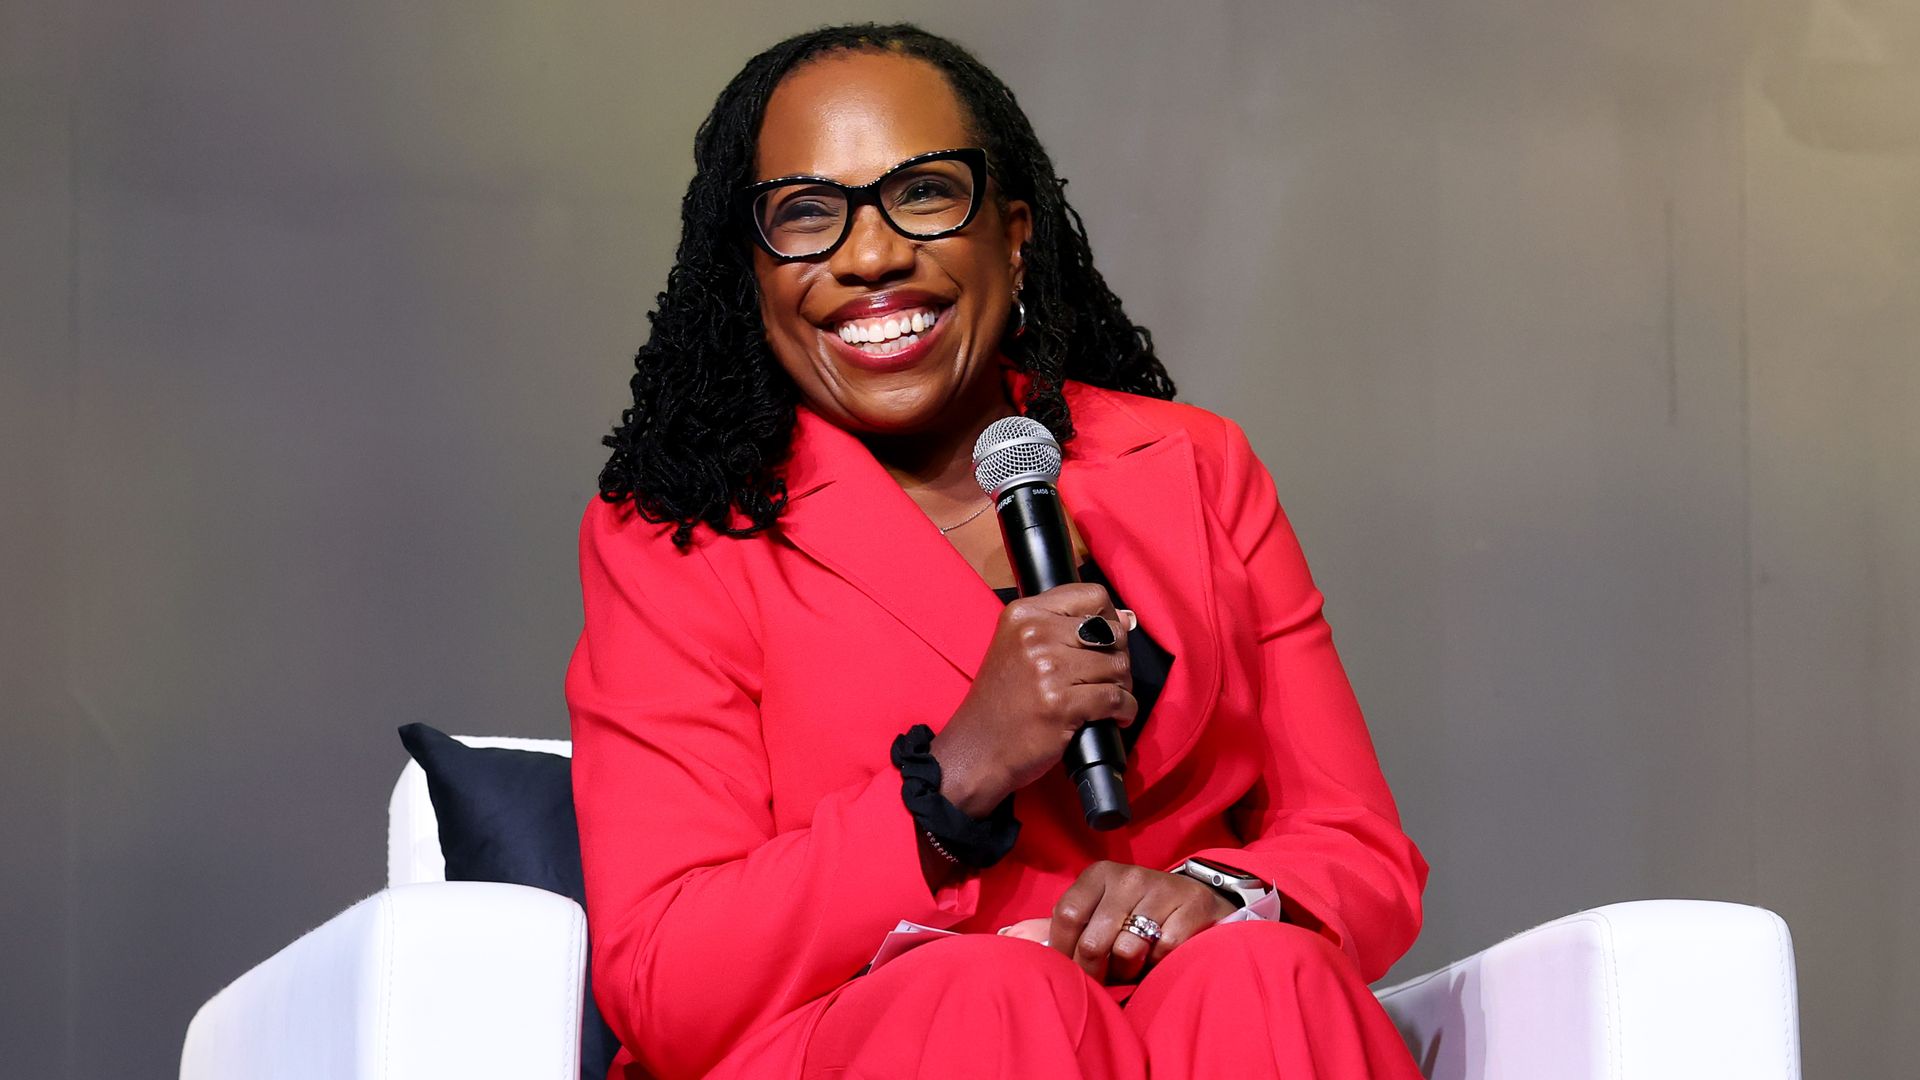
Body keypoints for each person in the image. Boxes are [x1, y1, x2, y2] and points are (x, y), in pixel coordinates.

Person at [565, 22, 1428, 1080]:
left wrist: (1216, 891)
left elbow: (1356, 847)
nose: (871, 254)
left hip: (1201, 1035)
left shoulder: (1194, 467)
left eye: (923, 193)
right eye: (805, 214)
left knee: (1266, 972)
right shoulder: (684, 535)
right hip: (888, 1040)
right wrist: (957, 777)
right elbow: (667, 980)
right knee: (990, 992)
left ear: (1013, 235)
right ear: (749, 272)